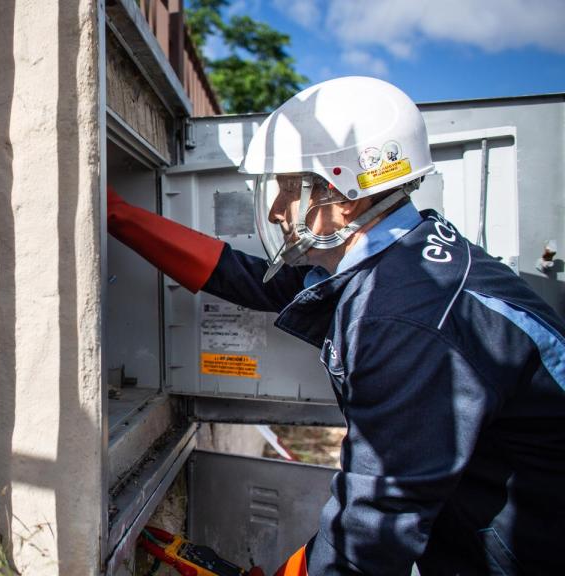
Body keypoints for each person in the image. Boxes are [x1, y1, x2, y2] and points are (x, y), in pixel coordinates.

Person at [108, 76, 565, 575]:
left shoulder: (403, 318)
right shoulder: (400, 255)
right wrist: (120, 216)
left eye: (286, 188)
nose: (278, 211)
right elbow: (250, 280)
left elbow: (375, 523)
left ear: (343, 196)